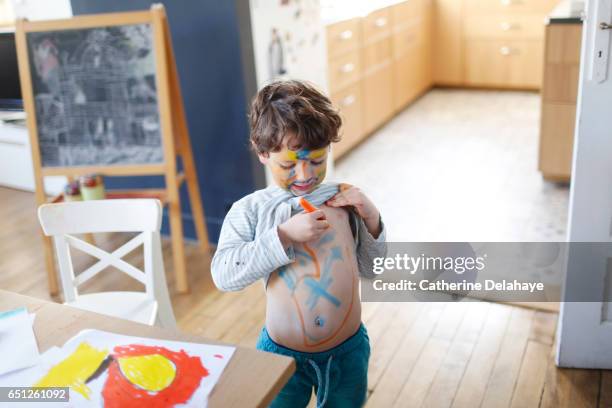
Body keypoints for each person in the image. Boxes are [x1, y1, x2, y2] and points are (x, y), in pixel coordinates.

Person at [211, 79, 387, 408]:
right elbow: (223, 275)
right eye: (290, 164)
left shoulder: (343, 200)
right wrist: (283, 236)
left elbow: (373, 269)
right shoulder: (250, 210)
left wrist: (372, 218)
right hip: (282, 356)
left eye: (317, 161)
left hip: (347, 354)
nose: (305, 175)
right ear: (263, 152)